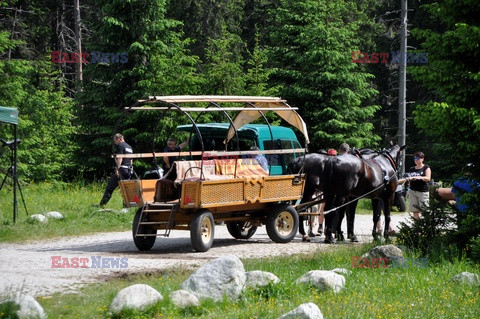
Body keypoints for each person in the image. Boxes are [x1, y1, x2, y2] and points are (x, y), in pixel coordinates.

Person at [99, 133, 133, 207]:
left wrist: (117, 169)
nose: (115, 143)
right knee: (125, 189)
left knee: (110, 187)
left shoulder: (121, 146)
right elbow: (131, 159)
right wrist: (130, 169)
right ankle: (126, 207)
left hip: (122, 169)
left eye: (115, 141)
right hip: (128, 170)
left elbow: (119, 158)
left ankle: (102, 204)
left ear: (119, 139)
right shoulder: (129, 147)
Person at [398, 151, 431, 219]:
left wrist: (418, 178)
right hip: (413, 191)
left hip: (422, 191)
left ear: (422, 159)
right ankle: (416, 226)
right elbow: (409, 178)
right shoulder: (412, 169)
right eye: (414, 158)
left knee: (425, 210)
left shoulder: (426, 167)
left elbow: (428, 178)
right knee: (415, 210)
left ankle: (426, 226)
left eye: (417, 158)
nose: (416, 160)